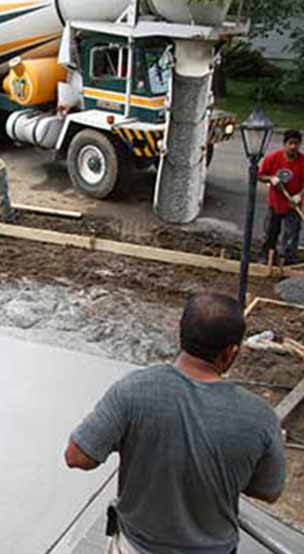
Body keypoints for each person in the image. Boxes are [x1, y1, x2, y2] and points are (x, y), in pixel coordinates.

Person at [65, 293, 286, 554]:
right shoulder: (260, 417)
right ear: (230, 352)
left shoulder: (134, 390)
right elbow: (270, 490)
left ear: (180, 334)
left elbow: (77, 457)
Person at [259, 129, 304, 265]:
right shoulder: (273, 158)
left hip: (293, 205)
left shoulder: (303, 162)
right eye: (290, 143)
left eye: (296, 144)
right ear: (284, 144)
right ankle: (267, 257)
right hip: (275, 203)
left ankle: (288, 260)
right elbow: (260, 175)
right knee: (270, 233)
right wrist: (271, 179)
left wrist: (299, 196)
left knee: (291, 234)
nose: (293, 147)